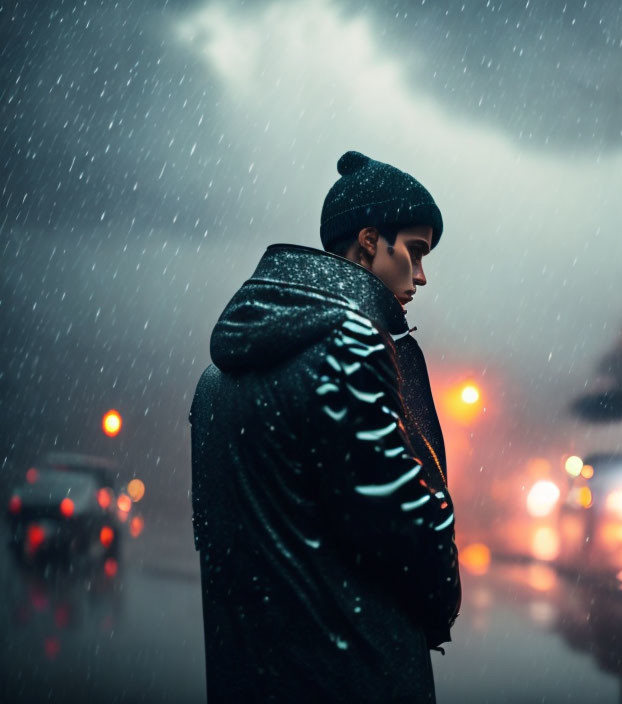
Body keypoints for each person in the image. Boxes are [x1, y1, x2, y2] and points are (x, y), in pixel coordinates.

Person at [190, 151, 461, 703]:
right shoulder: (348, 347)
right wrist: (442, 586)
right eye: (413, 251)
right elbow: (410, 537)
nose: (423, 275)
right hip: (356, 677)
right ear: (368, 241)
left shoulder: (216, 379)